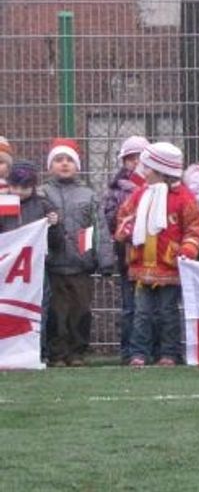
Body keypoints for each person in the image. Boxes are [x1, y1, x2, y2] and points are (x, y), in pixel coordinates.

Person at [115, 142, 199, 366]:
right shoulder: (139, 195)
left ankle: (169, 353)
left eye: (147, 169)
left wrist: (187, 250)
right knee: (142, 313)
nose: (143, 173)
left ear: (161, 171)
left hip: (170, 266)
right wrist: (126, 229)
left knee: (168, 313)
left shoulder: (183, 198)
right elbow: (123, 216)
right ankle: (139, 353)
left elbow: (195, 227)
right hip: (141, 266)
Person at [41, 138, 115, 366]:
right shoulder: (42, 194)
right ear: (50, 166)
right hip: (53, 264)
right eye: (58, 160)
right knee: (55, 311)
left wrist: (104, 260)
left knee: (81, 310)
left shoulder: (89, 195)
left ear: (77, 165)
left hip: (81, 264)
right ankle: (56, 353)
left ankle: (77, 352)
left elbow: (100, 228)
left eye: (69, 160)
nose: (64, 164)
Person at [100, 134, 148, 362]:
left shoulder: (159, 187)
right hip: (127, 256)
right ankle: (128, 350)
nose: (136, 162)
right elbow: (110, 219)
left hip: (156, 255)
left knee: (155, 305)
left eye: (141, 157)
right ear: (124, 162)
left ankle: (155, 348)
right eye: (131, 158)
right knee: (130, 306)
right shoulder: (116, 191)